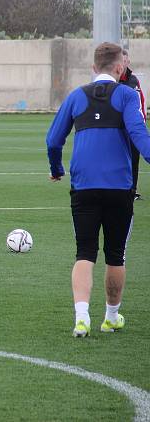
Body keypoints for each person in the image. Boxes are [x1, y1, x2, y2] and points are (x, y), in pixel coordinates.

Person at [46, 42, 150, 337]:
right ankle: (111, 316)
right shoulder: (128, 95)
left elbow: (53, 140)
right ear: (120, 69)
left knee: (84, 252)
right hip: (119, 188)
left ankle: (81, 318)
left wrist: (57, 170)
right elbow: (140, 137)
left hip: (84, 187)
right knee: (116, 254)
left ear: (93, 68)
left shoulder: (76, 96)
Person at [118, 48, 147, 199]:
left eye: (125, 61)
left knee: (134, 159)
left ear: (128, 62)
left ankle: (132, 190)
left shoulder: (133, 80)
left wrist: (141, 122)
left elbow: (140, 103)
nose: (123, 64)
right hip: (117, 129)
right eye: (121, 61)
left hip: (132, 128)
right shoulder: (112, 80)